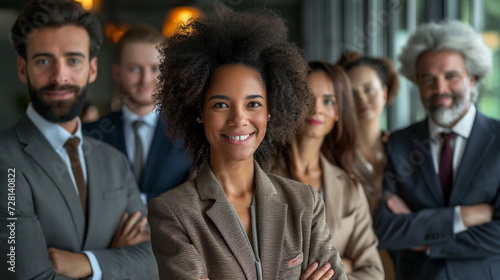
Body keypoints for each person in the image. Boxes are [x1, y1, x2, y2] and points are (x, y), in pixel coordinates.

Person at [148, 5, 347, 280]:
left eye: (253, 104)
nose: (239, 119)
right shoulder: (174, 212)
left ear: (269, 111)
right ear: (199, 113)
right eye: (220, 105)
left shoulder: (305, 203)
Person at [0, 1, 157, 279]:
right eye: (44, 60)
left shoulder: (114, 161)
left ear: (92, 69)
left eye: (73, 60)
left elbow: (154, 261)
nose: (60, 76)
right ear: (23, 69)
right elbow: (27, 276)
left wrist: (89, 263)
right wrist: (117, 260)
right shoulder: (6, 161)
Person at [374, 20, 500, 280]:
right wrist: (466, 216)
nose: (440, 89)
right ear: (417, 84)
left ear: (472, 78)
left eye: (451, 76)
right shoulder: (397, 143)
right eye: (428, 79)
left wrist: (428, 239)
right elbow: (384, 228)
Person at [269, 61, 383, 280]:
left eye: (328, 101)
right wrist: (343, 265)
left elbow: (374, 272)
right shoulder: (257, 175)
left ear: (339, 112)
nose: (317, 109)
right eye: (307, 98)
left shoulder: (350, 187)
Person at [84, 24, 191, 205]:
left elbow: (194, 198)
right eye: (134, 69)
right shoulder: (90, 135)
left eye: (155, 69)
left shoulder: (189, 133)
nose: (146, 79)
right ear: (117, 73)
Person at [337, 51, 399, 214]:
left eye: (368, 89)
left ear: (384, 94)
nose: (362, 99)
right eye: (352, 93)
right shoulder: (334, 153)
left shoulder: (402, 146)